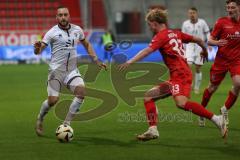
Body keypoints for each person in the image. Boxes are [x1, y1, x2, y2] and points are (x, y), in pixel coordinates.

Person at [119, 8, 227, 141]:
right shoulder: (176, 33)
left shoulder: (161, 36)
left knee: (181, 103)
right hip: (178, 75)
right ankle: (153, 130)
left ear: (154, 23)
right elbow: (198, 39)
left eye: (149, 24)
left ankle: (217, 119)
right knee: (148, 97)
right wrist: (204, 51)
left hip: (180, 74)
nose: (149, 27)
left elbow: (147, 50)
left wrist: (130, 62)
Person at [34, 6, 106, 136]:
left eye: (65, 15)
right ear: (56, 17)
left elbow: (87, 44)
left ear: (69, 16)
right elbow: (39, 52)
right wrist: (37, 48)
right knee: (53, 101)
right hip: (56, 72)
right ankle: (40, 118)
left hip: (72, 70)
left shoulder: (77, 30)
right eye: (60, 15)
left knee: (81, 92)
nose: (63, 17)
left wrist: (96, 60)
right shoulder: (52, 32)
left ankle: (66, 125)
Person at [201, 0, 240, 128]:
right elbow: (210, 40)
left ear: (238, 7)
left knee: (238, 83)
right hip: (221, 61)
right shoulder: (221, 22)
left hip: (236, 61)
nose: (229, 9)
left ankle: (224, 109)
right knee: (212, 88)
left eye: (232, 7)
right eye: (228, 7)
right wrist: (216, 43)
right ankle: (201, 111)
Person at [182, 7, 211, 95]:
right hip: (189, 47)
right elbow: (182, 36)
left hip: (200, 47)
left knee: (198, 68)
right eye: (190, 13)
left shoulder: (202, 22)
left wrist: (209, 43)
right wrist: (183, 48)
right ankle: (189, 85)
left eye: (193, 13)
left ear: (196, 13)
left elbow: (207, 33)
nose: (192, 15)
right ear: (188, 14)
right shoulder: (185, 24)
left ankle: (196, 87)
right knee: (188, 66)